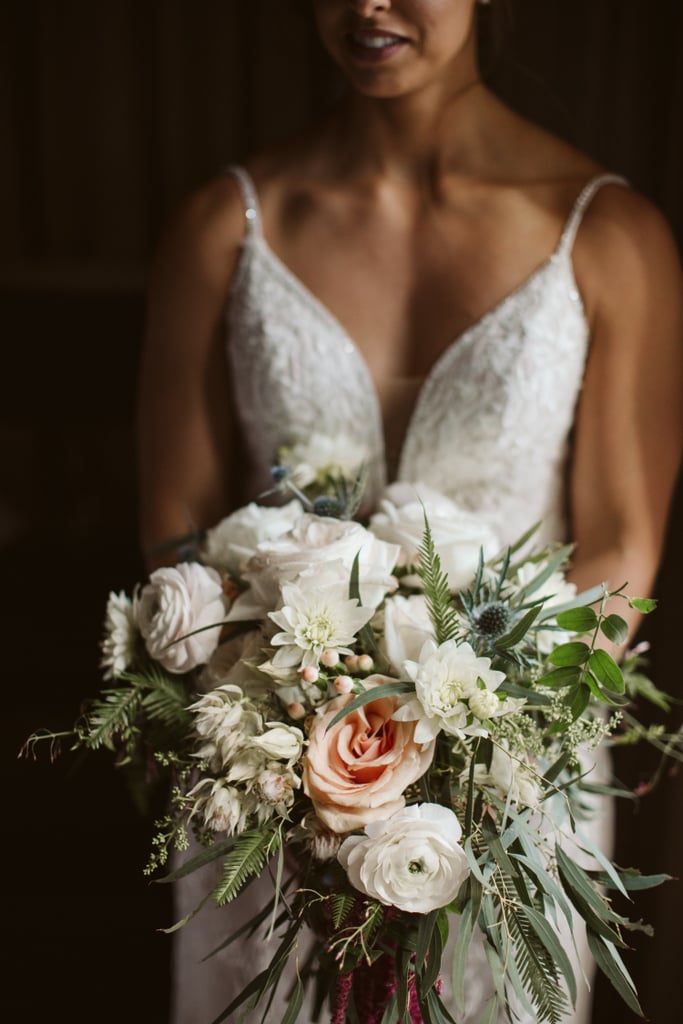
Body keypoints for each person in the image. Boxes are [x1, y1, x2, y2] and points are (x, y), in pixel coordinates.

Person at [136, 1, 683, 1021]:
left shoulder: (610, 235)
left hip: (512, 785)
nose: (368, 3)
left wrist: (478, 746)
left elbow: (620, 546)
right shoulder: (224, 225)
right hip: (264, 788)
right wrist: (288, 739)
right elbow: (174, 521)